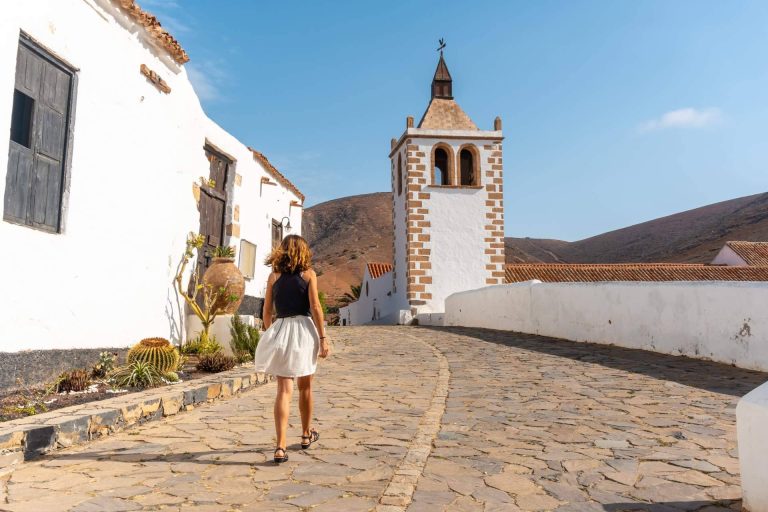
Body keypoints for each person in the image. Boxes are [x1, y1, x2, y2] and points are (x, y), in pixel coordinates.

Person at [254, 235, 331, 464]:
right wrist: (323, 337)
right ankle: (306, 435)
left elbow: (266, 312)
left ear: (283, 251)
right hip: (305, 331)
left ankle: (280, 447)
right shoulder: (309, 275)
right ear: (303, 251)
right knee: (305, 387)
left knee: (283, 391)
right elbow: (315, 307)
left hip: (282, 329)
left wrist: (273, 333)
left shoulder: (273, 276)